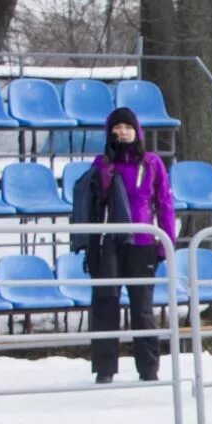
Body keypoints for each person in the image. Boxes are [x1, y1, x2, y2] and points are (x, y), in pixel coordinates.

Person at [70, 106, 175, 384]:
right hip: (109, 242)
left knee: (142, 308)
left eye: (128, 127)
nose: (123, 132)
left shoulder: (151, 163)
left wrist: (166, 242)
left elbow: (164, 203)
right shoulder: (102, 163)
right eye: (117, 128)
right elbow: (91, 202)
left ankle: (149, 369)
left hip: (142, 241)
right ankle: (105, 370)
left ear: (136, 131)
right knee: (105, 304)